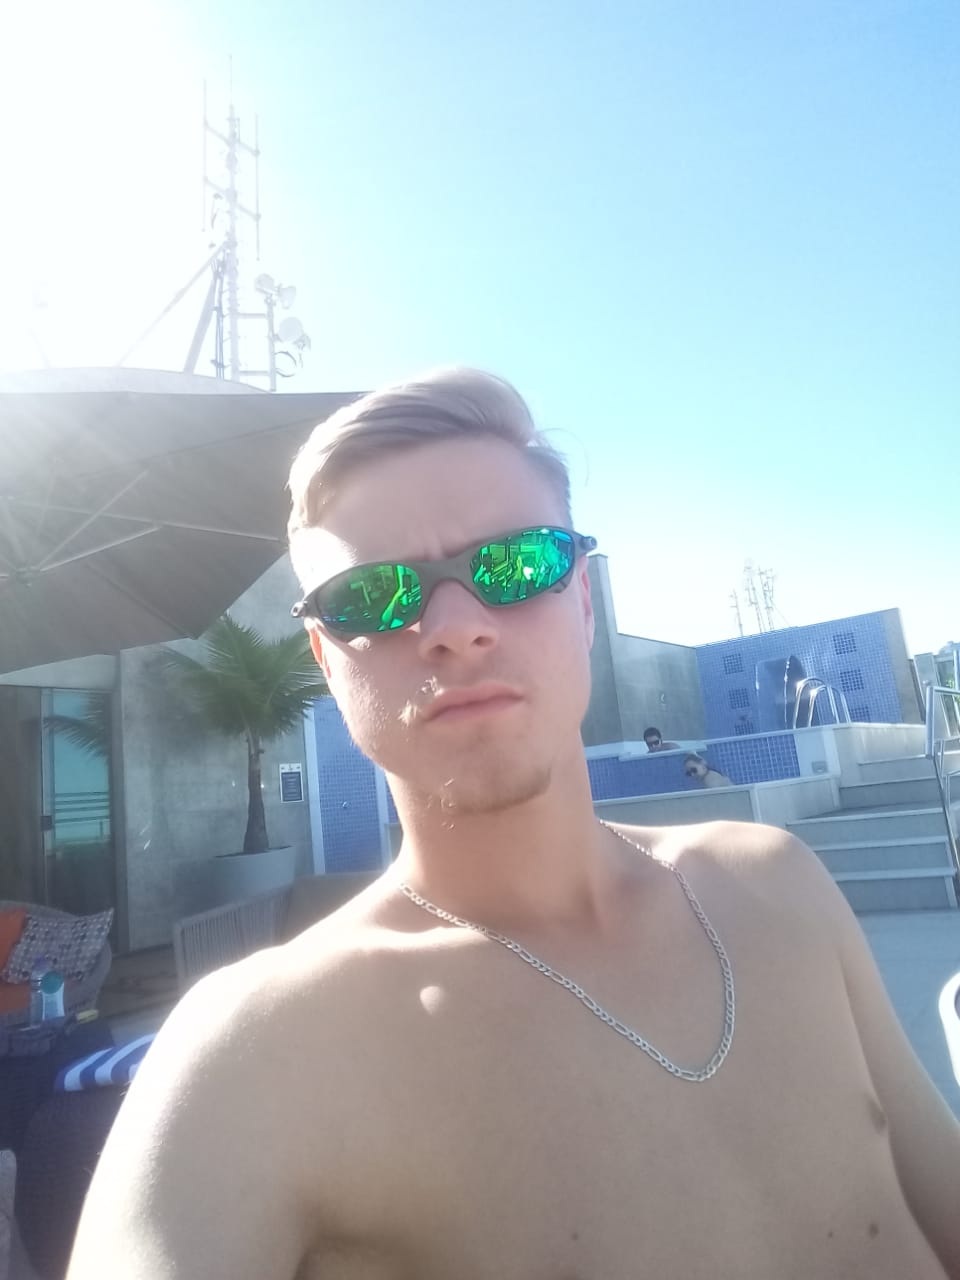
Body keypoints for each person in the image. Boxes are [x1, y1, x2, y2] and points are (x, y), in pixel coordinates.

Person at [69, 368, 960, 1280]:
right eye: (373, 595)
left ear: (584, 604)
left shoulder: (779, 884)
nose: (455, 627)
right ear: (327, 661)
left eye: (517, 563)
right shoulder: (255, 1059)